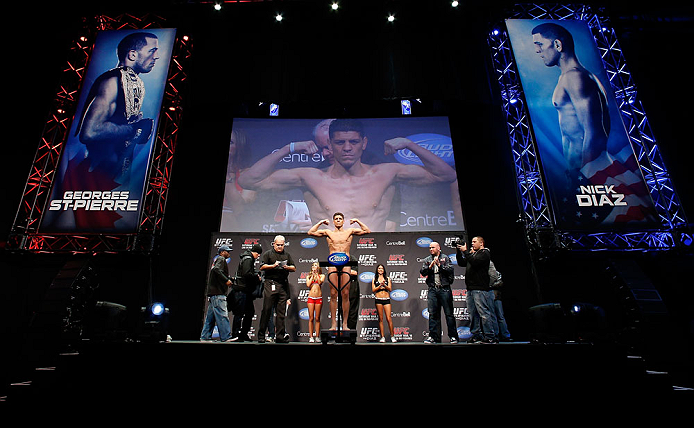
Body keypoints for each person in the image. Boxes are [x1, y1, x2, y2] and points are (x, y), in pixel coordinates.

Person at [237, 118, 457, 231]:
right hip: (325, 257)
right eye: (340, 142)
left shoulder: (386, 173)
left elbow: (446, 175)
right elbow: (248, 180)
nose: (347, 148)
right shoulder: (311, 177)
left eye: (353, 142)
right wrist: (289, 148)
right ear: (331, 145)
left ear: (364, 143)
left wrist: (409, 144)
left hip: (372, 258)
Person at [73, 32, 160, 186]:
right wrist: (133, 129)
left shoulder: (133, 81)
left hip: (114, 177)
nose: (156, 56)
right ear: (132, 55)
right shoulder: (113, 81)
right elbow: (90, 132)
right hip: (94, 177)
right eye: (152, 51)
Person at [308, 213, 370, 331]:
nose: (338, 220)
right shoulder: (328, 233)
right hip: (332, 262)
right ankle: (333, 324)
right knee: (333, 293)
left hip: (346, 261)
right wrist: (321, 222)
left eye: (340, 219)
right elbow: (310, 232)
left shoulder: (349, 231)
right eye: (336, 219)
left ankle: (345, 324)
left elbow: (367, 230)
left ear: (343, 221)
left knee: (345, 293)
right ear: (333, 221)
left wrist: (357, 220)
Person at [457, 236, 498, 344]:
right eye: (472, 242)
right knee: (472, 314)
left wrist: (466, 251)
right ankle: (476, 335)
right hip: (470, 289)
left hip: (479, 288)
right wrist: (458, 251)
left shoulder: (484, 253)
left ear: (481, 243)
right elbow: (462, 263)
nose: (472, 244)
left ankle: (490, 336)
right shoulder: (473, 254)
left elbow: (475, 262)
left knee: (483, 313)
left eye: (475, 242)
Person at [257, 235, 296, 343]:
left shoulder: (287, 255)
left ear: (284, 245)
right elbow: (262, 267)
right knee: (267, 310)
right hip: (270, 283)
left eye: (281, 245)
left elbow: (294, 268)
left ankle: (279, 336)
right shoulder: (268, 254)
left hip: (282, 284)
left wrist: (287, 267)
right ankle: (261, 335)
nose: (279, 247)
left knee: (281, 312)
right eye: (278, 245)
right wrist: (273, 266)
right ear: (274, 244)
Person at [420, 241, 459, 344]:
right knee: (433, 314)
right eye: (429, 248)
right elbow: (422, 272)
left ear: (438, 248)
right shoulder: (428, 259)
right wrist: (431, 266)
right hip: (433, 289)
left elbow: (450, 270)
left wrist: (439, 265)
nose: (431, 249)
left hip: (444, 289)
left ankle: (453, 336)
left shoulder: (445, 258)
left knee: (449, 314)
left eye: (433, 247)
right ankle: (434, 337)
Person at [221, 129, 257, 231]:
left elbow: (239, 210)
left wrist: (227, 175)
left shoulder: (248, 175)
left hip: (234, 234)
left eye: (231, 142)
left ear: (239, 148)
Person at [229, 243, 263, 342]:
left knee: (249, 312)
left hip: (245, 290)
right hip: (241, 290)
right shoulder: (248, 259)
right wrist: (256, 277)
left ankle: (243, 334)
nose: (259, 256)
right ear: (255, 252)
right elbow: (246, 274)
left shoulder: (248, 258)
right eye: (258, 254)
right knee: (239, 313)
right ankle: (235, 334)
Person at [200, 245, 233, 342]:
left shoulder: (217, 260)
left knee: (210, 317)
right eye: (227, 251)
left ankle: (205, 337)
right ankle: (226, 337)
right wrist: (226, 280)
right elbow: (216, 270)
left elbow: (217, 272)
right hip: (218, 293)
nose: (229, 253)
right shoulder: (221, 259)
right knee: (222, 315)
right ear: (222, 252)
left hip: (214, 293)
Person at [372, 264, 396, 343]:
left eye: (382, 268)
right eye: (379, 268)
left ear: (384, 270)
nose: (380, 269)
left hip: (386, 299)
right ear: (377, 270)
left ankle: (392, 336)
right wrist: (379, 286)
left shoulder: (387, 278)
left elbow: (390, 288)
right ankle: (382, 337)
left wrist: (384, 284)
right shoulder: (374, 279)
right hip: (378, 299)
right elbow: (373, 289)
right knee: (381, 319)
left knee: (389, 318)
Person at [306, 262, 325, 343]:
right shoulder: (308, 276)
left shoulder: (322, 275)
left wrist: (316, 274)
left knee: (317, 318)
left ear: (318, 267)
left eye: (316, 265)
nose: (314, 267)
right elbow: (308, 285)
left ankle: (317, 336)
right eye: (313, 265)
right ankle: (311, 337)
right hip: (311, 298)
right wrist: (312, 276)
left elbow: (320, 282)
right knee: (311, 318)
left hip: (318, 298)